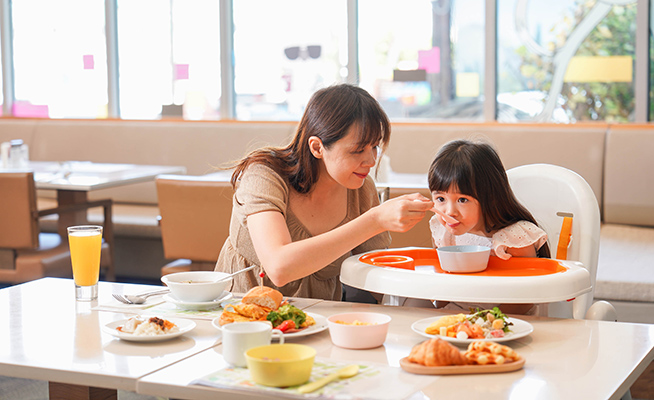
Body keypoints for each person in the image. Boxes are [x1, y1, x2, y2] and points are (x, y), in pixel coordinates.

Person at [214, 84, 433, 301]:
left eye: (374, 146)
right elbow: (279, 267)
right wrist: (375, 221)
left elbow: (373, 279)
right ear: (317, 147)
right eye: (358, 150)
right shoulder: (264, 176)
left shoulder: (362, 190)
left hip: (320, 326)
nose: (371, 160)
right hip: (239, 319)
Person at [428, 139, 550, 314]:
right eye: (440, 199)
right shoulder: (443, 231)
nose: (449, 211)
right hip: (456, 314)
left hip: (506, 319)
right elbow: (444, 285)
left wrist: (484, 321)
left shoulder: (514, 239)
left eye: (462, 200)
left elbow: (525, 298)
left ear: (490, 197)